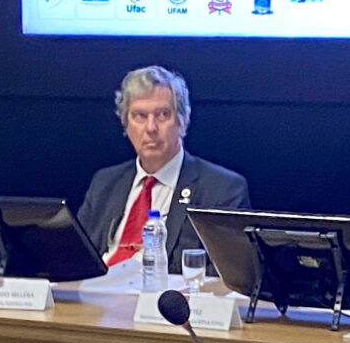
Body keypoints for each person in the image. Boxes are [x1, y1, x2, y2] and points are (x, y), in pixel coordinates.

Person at [81, 65, 250, 269]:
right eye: (140, 116)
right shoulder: (105, 183)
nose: (151, 128)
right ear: (126, 123)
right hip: (98, 295)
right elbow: (75, 258)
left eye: (162, 115)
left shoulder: (221, 189)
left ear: (183, 120)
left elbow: (228, 276)